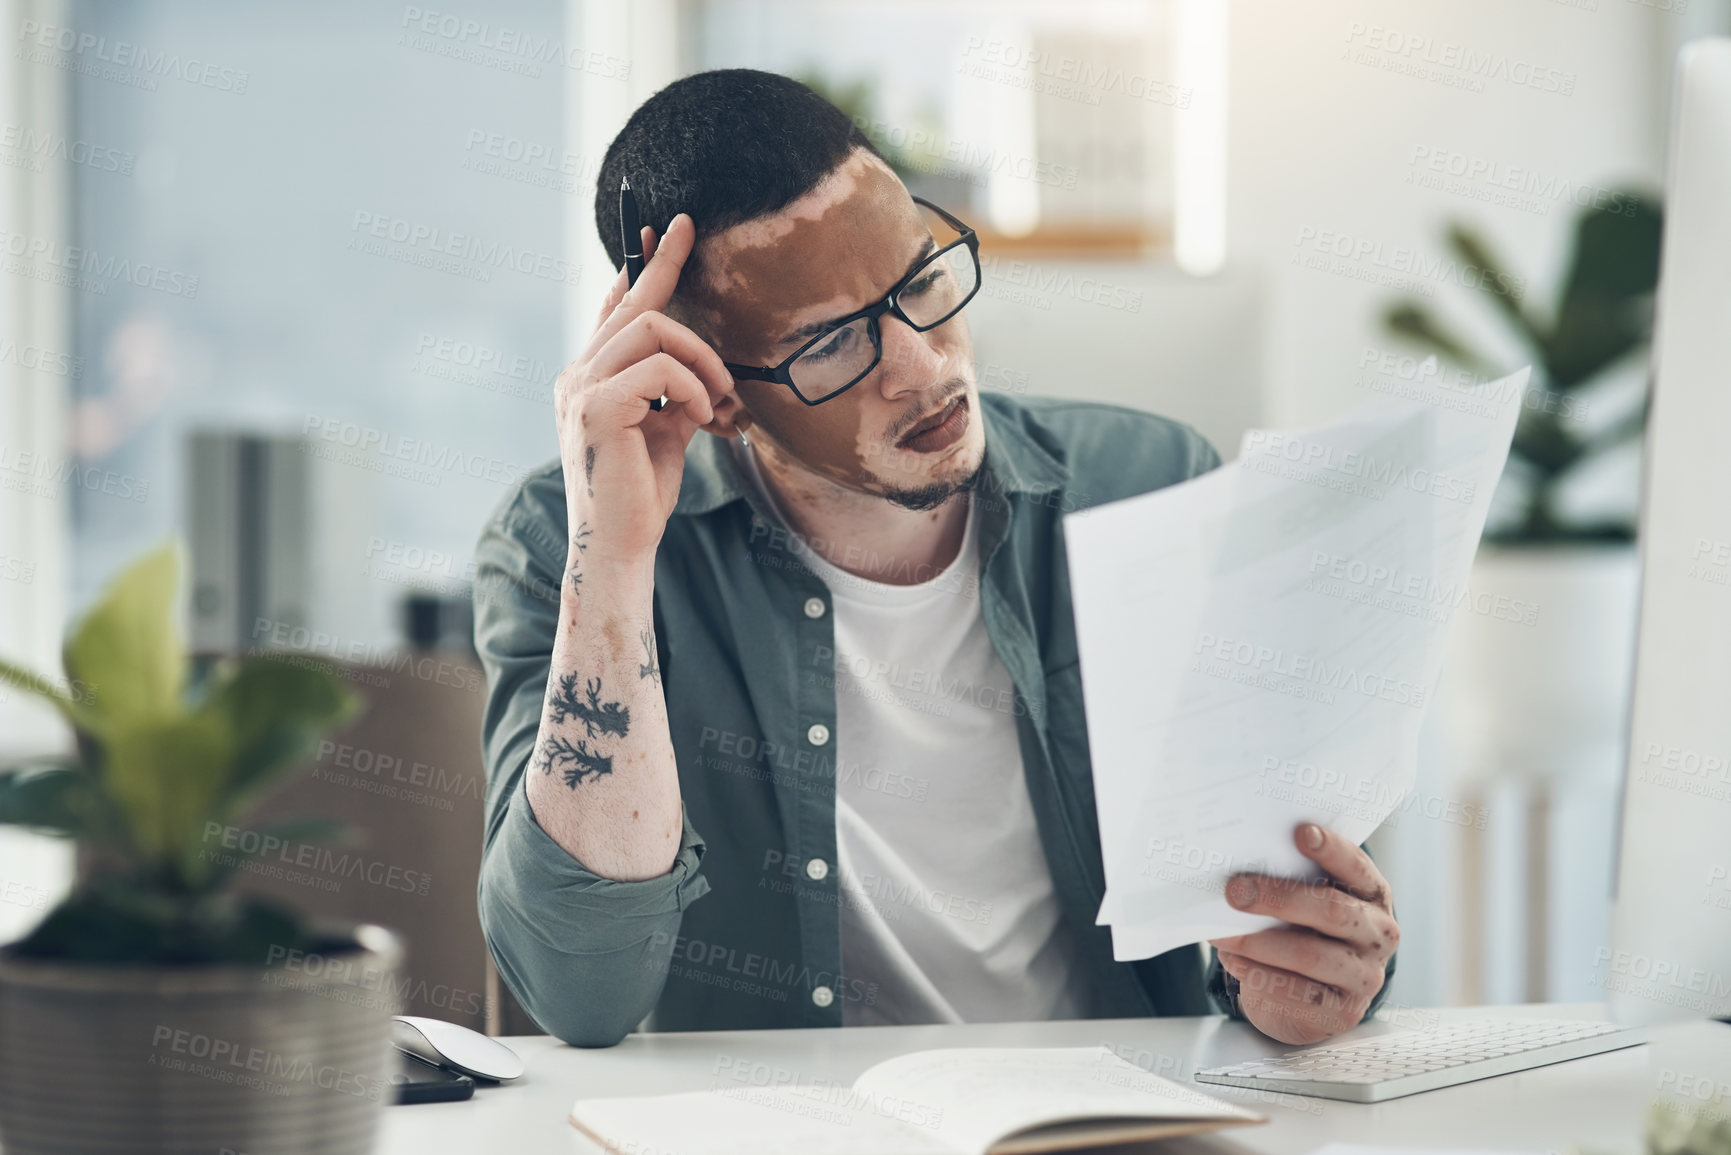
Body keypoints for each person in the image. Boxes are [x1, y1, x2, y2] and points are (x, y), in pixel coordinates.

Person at [473, 69, 1398, 1048]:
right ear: (719, 394)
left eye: (919, 281)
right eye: (831, 342)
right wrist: (612, 558)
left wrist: (1304, 978)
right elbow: (578, 993)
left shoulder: (1154, 481)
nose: (923, 368)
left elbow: (1298, 913)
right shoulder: (555, 545)